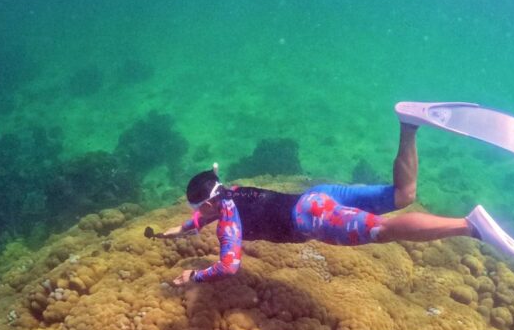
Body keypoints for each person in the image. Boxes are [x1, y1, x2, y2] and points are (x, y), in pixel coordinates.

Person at [154, 119, 476, 286]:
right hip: (317, 197)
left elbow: (230, 265)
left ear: (207, 204)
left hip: (312, 218)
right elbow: (206, 216)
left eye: (196, 210)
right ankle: (408, 126)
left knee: (383, 230)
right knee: (402, 194)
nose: (197, 215)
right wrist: (177, 230)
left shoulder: (227, 225)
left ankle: (469, 226)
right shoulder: (230, 191)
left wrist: (193, 276)